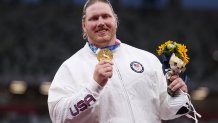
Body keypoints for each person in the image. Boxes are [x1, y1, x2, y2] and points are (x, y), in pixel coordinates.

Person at [48, 0, 196, 123]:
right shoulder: (71, 67)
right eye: (94, 18)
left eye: (106, 16)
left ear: (115, 21)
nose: (101, 22)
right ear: (84, 26)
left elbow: (166, 111)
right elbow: (58, 116)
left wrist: (179, 96)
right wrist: (94, 87)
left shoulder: (146, 59)